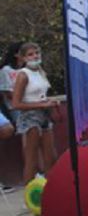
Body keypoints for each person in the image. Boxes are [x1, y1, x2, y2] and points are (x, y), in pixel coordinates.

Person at [11, 43, 59, 184]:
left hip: (45, 114)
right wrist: (42, 104)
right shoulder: (23, 75)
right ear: (24, 57)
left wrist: (49, 102)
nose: (35, 56)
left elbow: (41, 95)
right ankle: (28, 190)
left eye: (37, 53)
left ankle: (49, 189)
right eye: (30, 54)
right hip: (30, 116)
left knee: (50, 155)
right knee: (31, 157)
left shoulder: (40, 72)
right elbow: (16, 104)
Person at [0, 42, 23, 121]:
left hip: (32, 104)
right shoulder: (6, 70)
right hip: (15, 107)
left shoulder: (28, 69)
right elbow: (8, 93)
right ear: (16, 54)